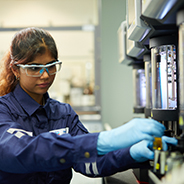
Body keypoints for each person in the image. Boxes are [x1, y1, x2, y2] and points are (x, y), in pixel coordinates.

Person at [0, 27, 177, 184]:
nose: (45, 75)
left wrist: (131, 153)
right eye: (34, 68)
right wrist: (103, 140)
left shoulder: (63, 113)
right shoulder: (3, 110)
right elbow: (19, 152)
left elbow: (89, 163)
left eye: (51, 66)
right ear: (16, 69)